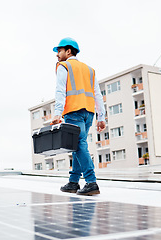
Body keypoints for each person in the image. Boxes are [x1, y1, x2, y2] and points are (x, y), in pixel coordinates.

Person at [51, 37, 106, 196]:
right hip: (88, 112)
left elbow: (60, 90)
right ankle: (73, 182)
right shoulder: (89, 69)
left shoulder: (64, 66)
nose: (57, 55)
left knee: (79, 144)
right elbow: (98, 95)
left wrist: (57, 113)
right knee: (76, 144)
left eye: (59, 51)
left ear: (68, 51)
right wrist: (101, 117)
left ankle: (91, 182)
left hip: (73, 111)